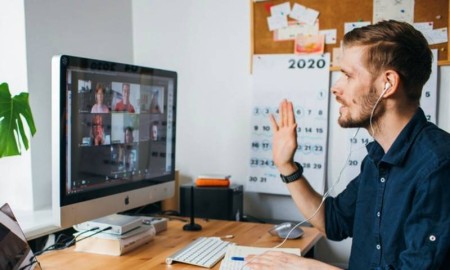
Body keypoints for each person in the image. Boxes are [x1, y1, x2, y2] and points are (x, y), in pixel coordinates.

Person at [246, 20, 450, 269]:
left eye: (347, 75)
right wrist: (286, 165)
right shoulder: (376, 159)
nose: (336, 88)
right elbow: (332, 222)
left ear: (388, 83)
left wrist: (308, 267)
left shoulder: (439, 164)